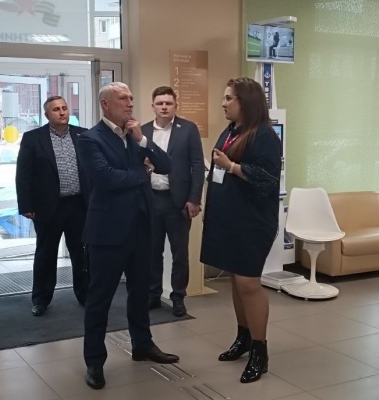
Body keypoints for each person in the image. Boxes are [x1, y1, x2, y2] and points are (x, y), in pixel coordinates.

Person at [78, 82, 180, 390]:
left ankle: (143, 345)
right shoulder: (90, 139)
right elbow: (106, 178)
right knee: (100, 298)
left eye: (132, 98)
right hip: (107, 232)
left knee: (140, 294)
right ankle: (94, 361)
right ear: (105, 104)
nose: (130, 103)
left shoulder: (137, 135)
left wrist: (143, 141)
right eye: (123, 98)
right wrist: (143, 173)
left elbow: (166, 165)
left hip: (140, 228)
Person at [200, 77, 281, 383]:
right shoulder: (231, 131)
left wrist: (232, 166)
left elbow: (267, 179)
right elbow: (216, 173)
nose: (223, 103)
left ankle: (260, 351)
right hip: (228, 218)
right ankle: (243, 338)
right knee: (236, 282)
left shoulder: (264, 136)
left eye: (228, 98)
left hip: (252, 222)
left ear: (244, 101)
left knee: (248, 283)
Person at [15, 96, 89, 317]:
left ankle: (85, 295)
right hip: (48, 207)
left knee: (82, 254)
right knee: (46, 254)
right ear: (47, 115)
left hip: (78, 205)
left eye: (64, 108)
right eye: (56, 109)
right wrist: (26, 205)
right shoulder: (33, 138)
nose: (62, 112)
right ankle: (41, 299)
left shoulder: (83, 135)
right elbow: (23, 174)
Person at [142, 86, 204, 317]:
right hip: (151, 200)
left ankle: (178, 297)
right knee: (152, 252)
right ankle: (153, 294)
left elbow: (198, 165)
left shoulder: (188, 129)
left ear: (175, 105)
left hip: (178, 202)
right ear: (153, 106)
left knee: (179, 254)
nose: (164, 107)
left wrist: (194, 199)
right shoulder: (143, 131)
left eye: (168, 103)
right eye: (160, 103)